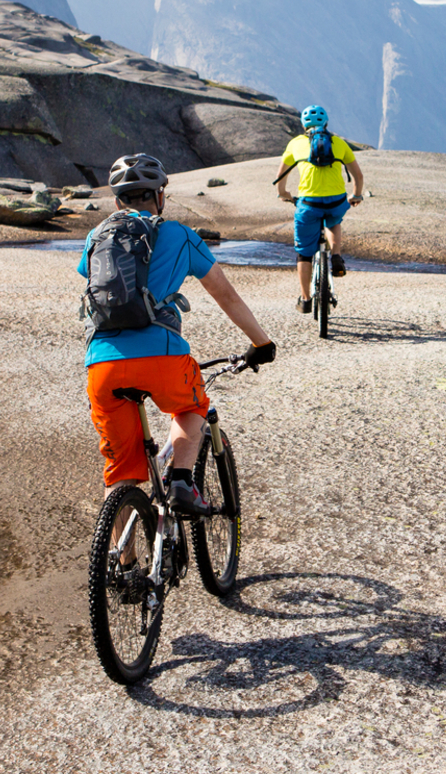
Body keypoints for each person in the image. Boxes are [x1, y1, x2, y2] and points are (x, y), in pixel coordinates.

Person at [79, 153, 274, 515]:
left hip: (102, 363)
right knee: (191, 407)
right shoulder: (179, 235)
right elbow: (225, 295)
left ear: (118, 200)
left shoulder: (96, 236)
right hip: (161, 357)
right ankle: (182, 481)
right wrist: (261, 343)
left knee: (120, 475)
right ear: (160, 196)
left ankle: (127, 566)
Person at [275, 105, 367, 313]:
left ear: (304, 125)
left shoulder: (296, 143)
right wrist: (357, 195)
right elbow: (358, 176)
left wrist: (284, 194)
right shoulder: (339, 143)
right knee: (333, 220)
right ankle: (336, 254)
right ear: (326, 123)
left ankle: (306, 299)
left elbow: (281, 178)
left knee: (304, 254)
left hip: (308, 203)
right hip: (336, 201)